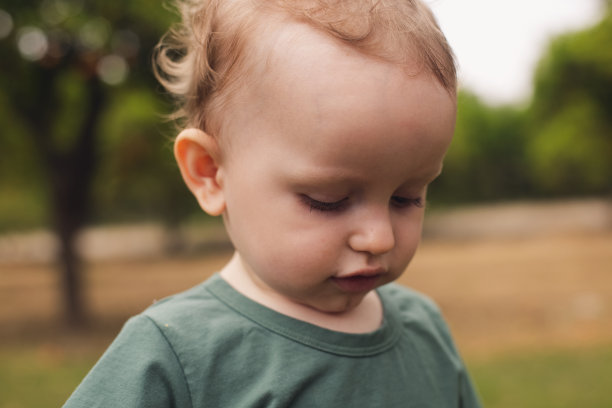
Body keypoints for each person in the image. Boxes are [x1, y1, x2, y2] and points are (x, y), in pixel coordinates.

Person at [64, 0, 482, 406]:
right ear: (210, 172)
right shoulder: (175, 355)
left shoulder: (425, 330)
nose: (379, 237)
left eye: (406, 197)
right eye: (328, 200)